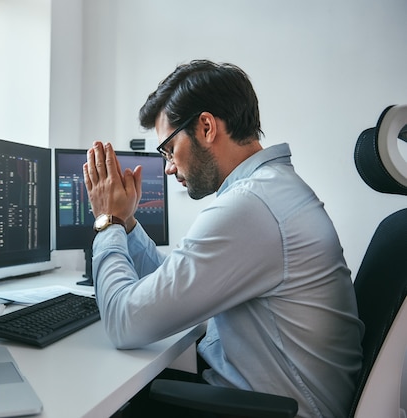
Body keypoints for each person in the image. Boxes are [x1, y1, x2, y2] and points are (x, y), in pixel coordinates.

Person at [83, 60, 364, 418]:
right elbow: (174, 284)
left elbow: (125, 323)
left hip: (277, 410)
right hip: (269, 399)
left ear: (205, 127)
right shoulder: (270, 190)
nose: (168, 167)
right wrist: (127, 224)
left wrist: (107, 221)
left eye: (169, 149)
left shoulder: (250, 207)